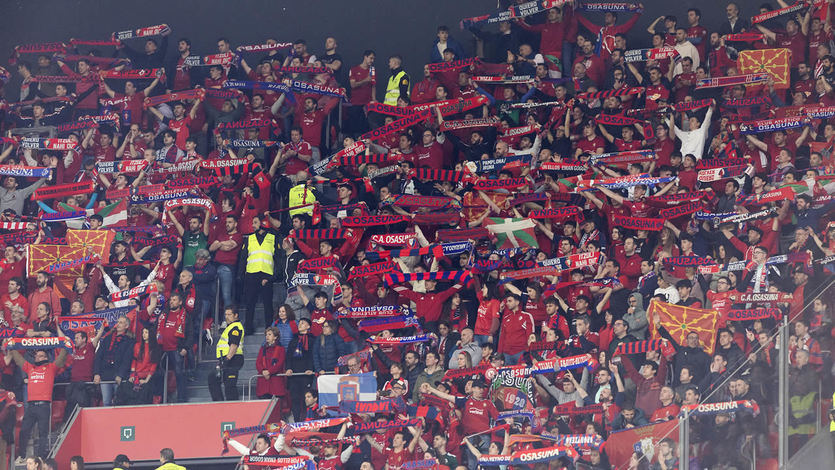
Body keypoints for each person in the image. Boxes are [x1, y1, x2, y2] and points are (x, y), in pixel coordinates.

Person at [5, 344, 68, 460]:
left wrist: (65, 346)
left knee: (43, 433)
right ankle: (22, 456)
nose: (37, 358)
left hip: (44, 406)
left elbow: (61, 359)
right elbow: (19, 360)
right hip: (31, 406)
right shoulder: (30, 367)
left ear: (46, 358)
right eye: (36, 356)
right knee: (24, 431)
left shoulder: (51, 367)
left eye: (40, 356)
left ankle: (40, 457)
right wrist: (12, 347)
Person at [209, 306, 244, 401]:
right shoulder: (230, 327)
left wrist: (227, 359)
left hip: (232, 358)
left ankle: (231, 407)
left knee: (230, 385)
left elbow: (234, 345)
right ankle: (219, 403)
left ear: (236, 315)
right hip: (226, 359)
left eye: (229, 314)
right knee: (213, 378)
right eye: (225, 314)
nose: (227, 317)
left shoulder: (235, 327)